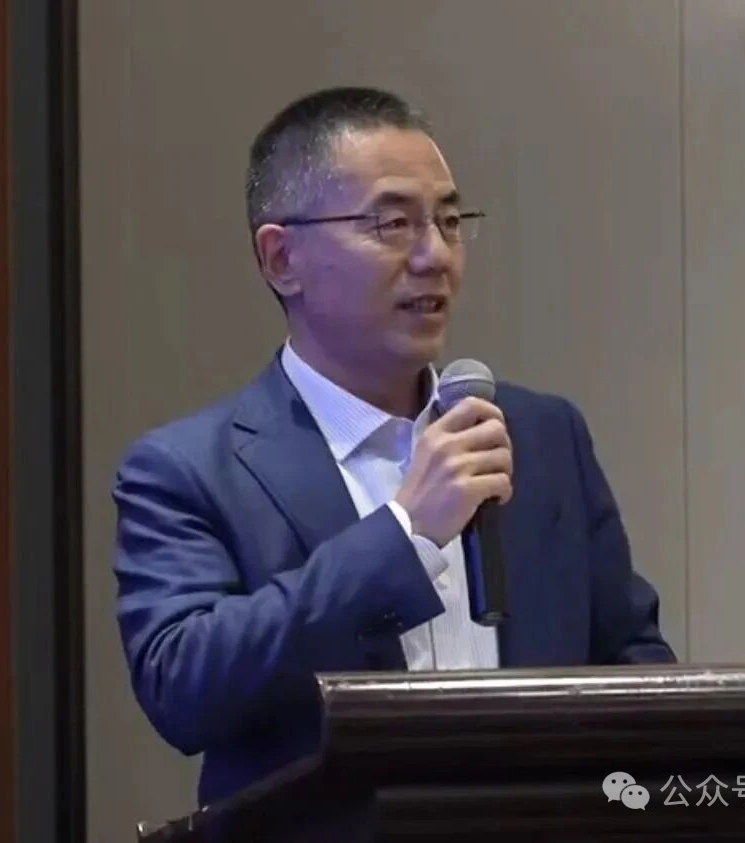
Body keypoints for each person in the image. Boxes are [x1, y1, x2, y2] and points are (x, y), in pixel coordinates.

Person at [112, 86, 676, 808]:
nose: (435, 256)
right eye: (393, 223)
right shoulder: (188, 470)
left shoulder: (542, 435)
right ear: (282, 258)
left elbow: (633, 664)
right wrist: (406, 534)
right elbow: (184, 689)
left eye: (450, 220)